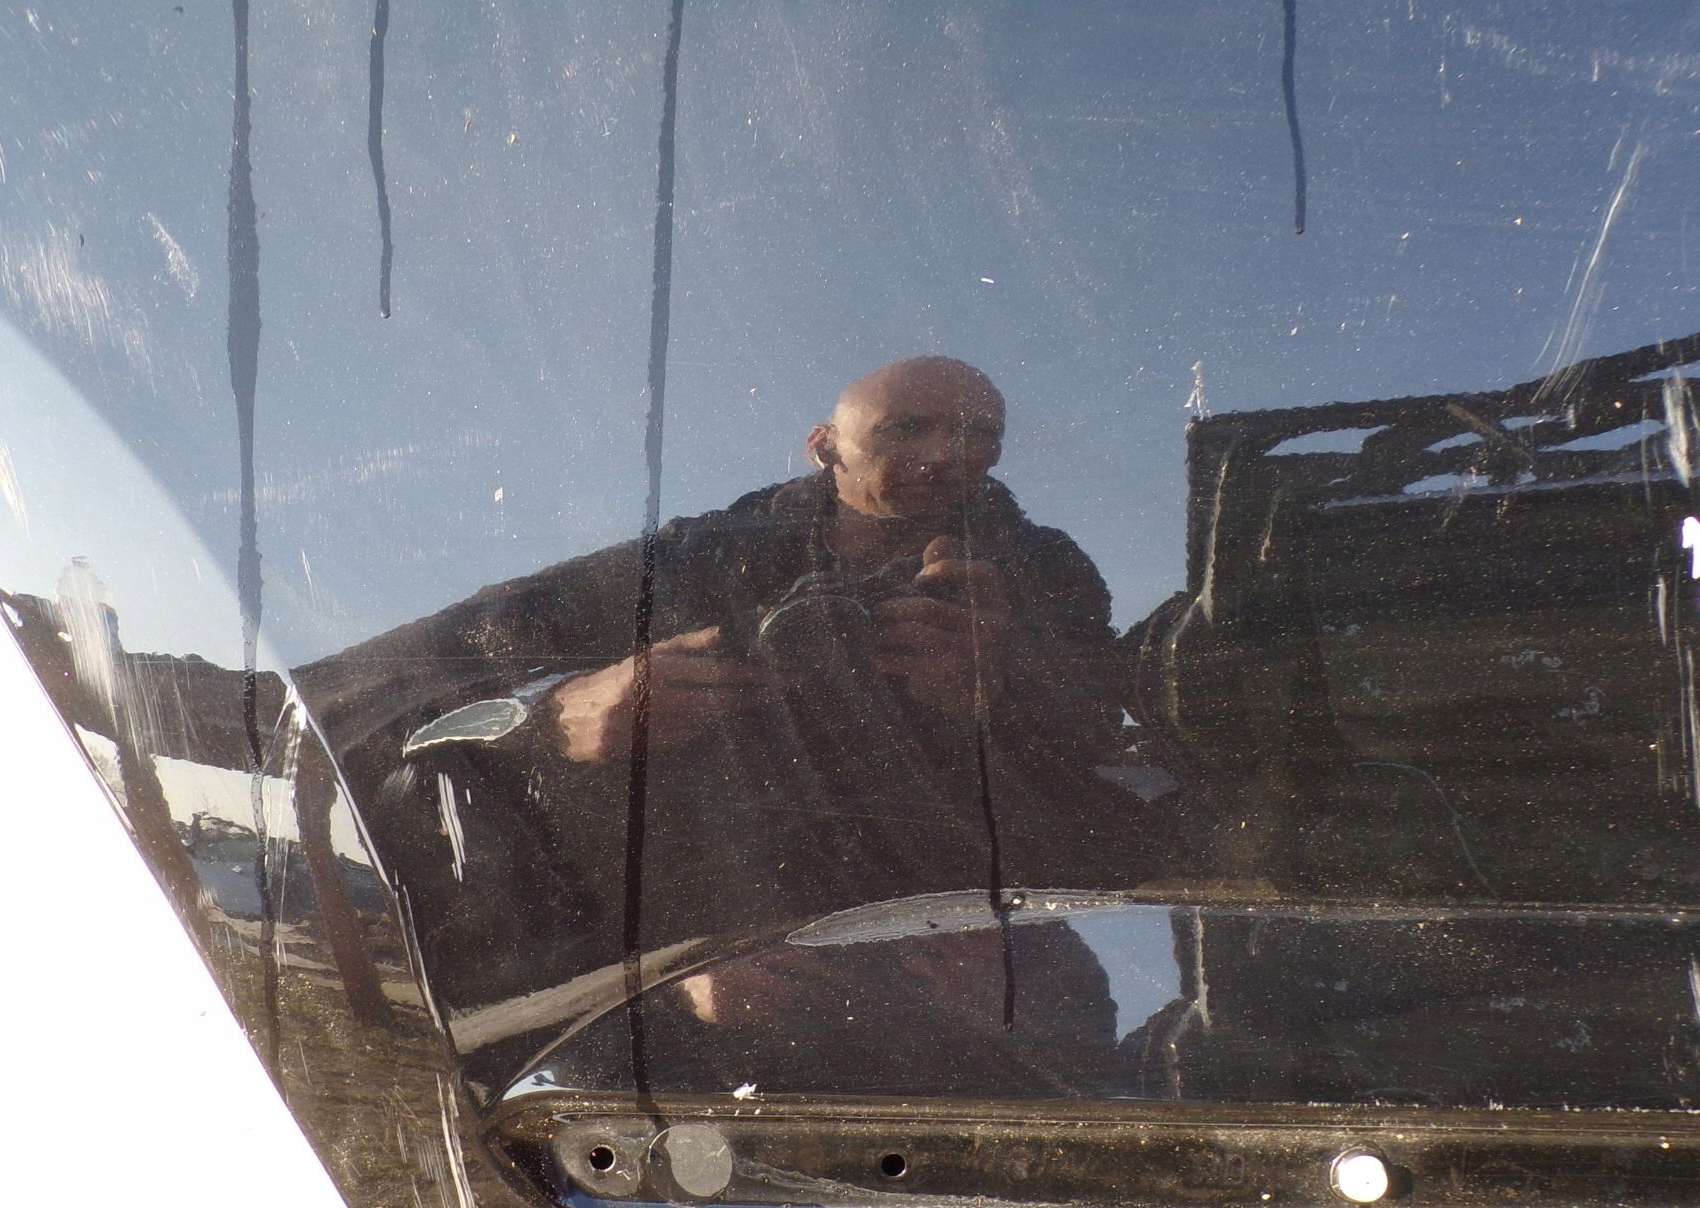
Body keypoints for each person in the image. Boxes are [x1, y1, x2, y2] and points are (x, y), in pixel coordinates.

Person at [300, 358, 1167, 1084]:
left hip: (962, 950)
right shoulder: (697, 559)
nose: (949, 455)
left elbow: (1110, 765)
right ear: (824, 447)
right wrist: (552, 714)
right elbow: (388, 679)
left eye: (980, 435)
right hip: (695, 971)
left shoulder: (1044, 575)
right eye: (909, 429)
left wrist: (998, 694)